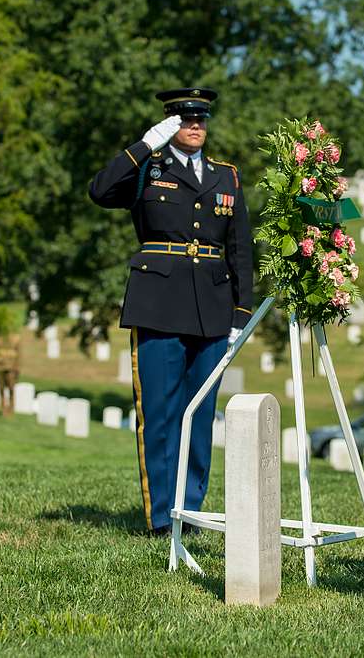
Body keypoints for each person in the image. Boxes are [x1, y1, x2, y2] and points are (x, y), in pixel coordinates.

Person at [88, 88, 253, 536]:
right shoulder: (147, 170)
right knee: (160, 414)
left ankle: (190, 512)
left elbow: (240, 250)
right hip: (158, 304)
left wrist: (241, 314)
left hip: (213, 308)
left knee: (199, 416)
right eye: (185, 119)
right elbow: (100, 190)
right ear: (169, 124)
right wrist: (144, 146)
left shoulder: (227, 177)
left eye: (200, 119)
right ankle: (162, 517)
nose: (195, 125)